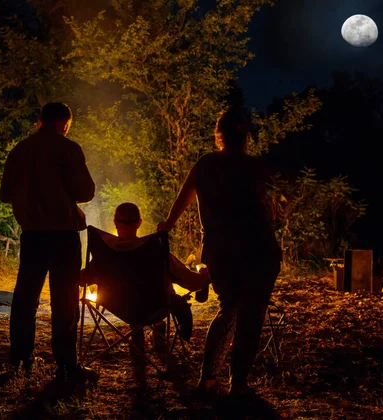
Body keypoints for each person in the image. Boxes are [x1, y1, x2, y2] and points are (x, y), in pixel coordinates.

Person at [157, 106, 282, 397]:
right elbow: (266, 209)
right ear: (246, 137)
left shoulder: (205, 165)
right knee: (251, 316)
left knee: (229, 308)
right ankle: (238, 383)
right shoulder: (253, 167)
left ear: (219, 136)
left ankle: (209, 378)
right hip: (257, 248)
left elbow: (184, 197)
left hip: (221, 249)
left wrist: (168, 224)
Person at [0, 102, 98, 386]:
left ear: (41, 121)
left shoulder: (20, 150)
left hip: (32, 233)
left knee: (26, 297)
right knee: (65, 299)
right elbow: (86, 191)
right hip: (63, 233)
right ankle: (67, 364)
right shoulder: (68, 149)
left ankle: (20, 358)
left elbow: (6, 193)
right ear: (65, 123)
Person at [82, 203, 209, 386]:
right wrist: (205, 273)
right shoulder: (154, 250)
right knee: (169, 296)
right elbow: (192, 282)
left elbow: (82, 278)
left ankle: (141, 330)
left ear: (115, 222)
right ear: (139, 223)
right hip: (154, 306)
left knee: (144, 298)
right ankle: (159, 328)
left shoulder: (104, 255)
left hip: (116, 305)